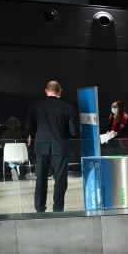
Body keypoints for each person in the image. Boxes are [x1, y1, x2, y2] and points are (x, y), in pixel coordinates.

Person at [26, 81, 79, 213]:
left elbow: (29, 127)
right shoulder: (68, 108)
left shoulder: (36, 106)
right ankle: (58, 208)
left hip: (41, 145)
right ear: (60, 91)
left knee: (41, 178)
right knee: (60, 179)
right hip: (60, 146)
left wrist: (38, 135)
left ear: (46, 91)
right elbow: (74, 131)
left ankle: (39, 208)